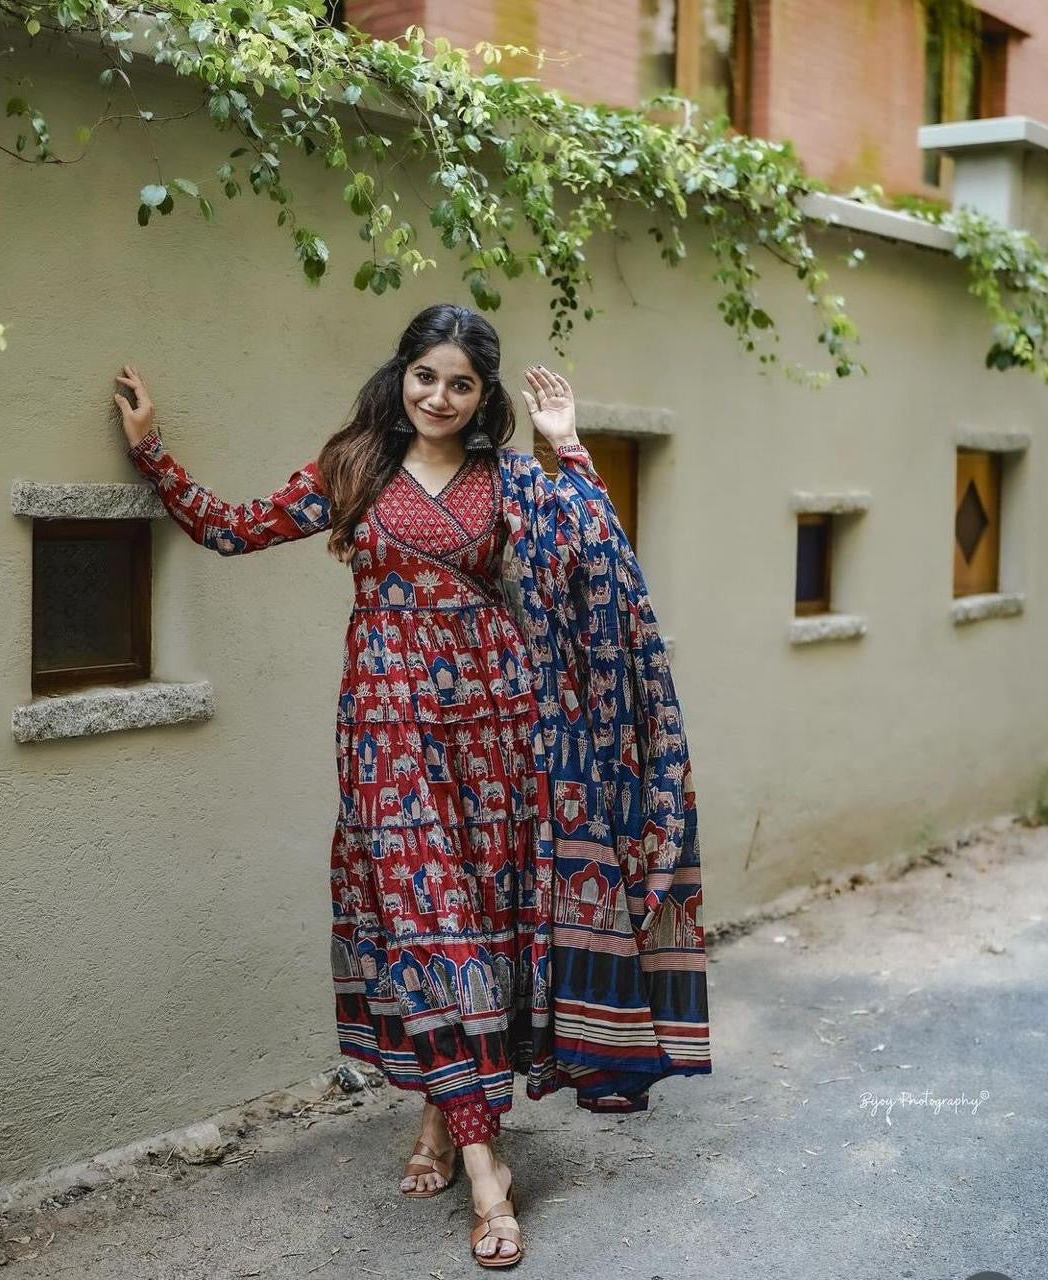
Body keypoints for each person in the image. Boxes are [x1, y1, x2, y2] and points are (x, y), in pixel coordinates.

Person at [114, 303, 710, 1269]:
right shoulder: (349, 469)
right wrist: (154, 453)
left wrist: (569, 450)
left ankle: (444, 1122)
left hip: (500, 732)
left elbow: (600, 557)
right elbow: (228, 529)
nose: (438, 396)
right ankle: (489, 1175)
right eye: (424, 375)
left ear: (485, 398)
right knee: (429, 924)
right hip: (390, 733)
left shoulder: (511, 478)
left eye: (460, 383)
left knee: (483, 925)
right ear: (401, 375)